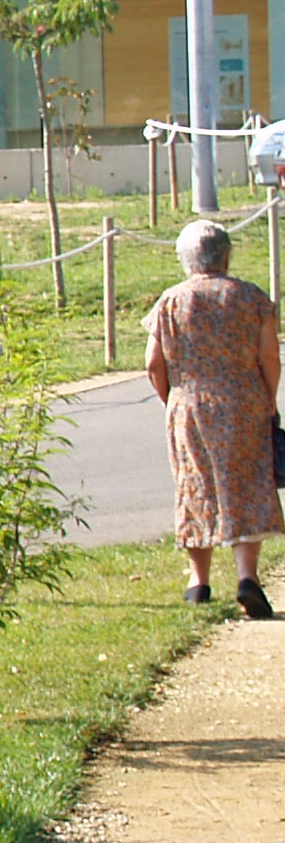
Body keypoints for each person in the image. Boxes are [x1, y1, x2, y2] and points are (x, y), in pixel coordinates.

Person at [143, 217, 282, 616]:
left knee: (194, 485)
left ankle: (198, 583)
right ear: (227, 255)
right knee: (248, 482)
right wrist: (268, 399)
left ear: (186, 260)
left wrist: (171, 398)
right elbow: (269, 356)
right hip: (245, 402)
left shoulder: (170, 301)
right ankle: (246, 576)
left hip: (189, 402)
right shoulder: (253, 298)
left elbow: (153, 363)